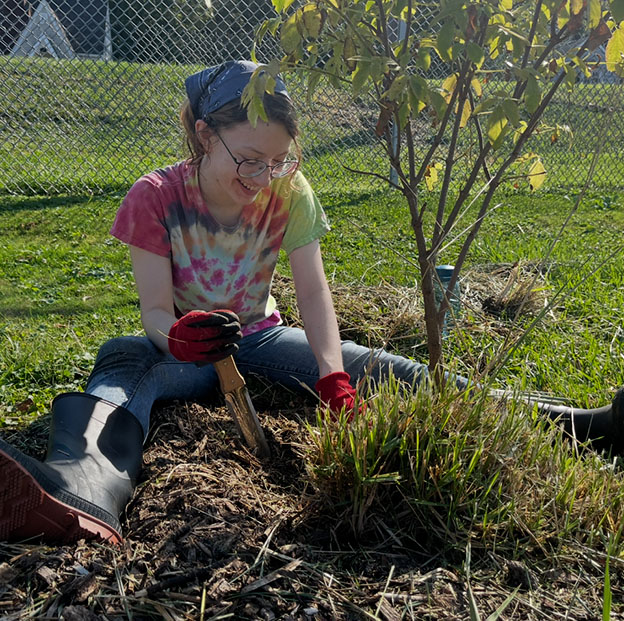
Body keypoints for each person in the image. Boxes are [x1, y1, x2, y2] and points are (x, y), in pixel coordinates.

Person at [0, 61, 621, 546]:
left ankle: (578, 426)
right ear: (202, 134)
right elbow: (155, 311)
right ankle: (81, 488)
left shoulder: (287, 191)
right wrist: (178, 337)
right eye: (248, 159)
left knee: (382, 369)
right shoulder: (155, 197)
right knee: (120, 366)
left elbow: (313, 290)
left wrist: (332, 375)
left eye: (278, 161)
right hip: (181, 349)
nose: (263, 176)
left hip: (262, 337)